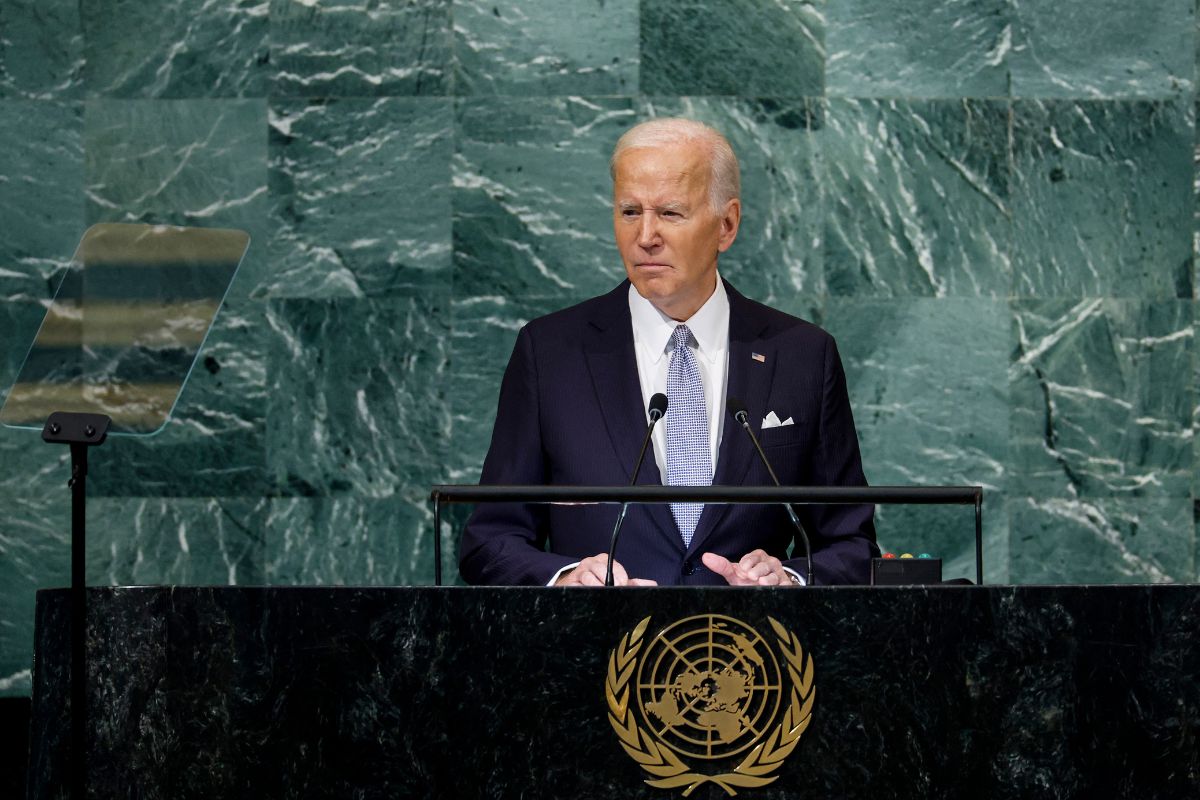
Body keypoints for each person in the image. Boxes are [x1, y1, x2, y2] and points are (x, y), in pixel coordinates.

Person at [459, 118, 877, 587]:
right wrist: (566, 576)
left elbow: (852, 546)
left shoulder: (802, 355)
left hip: (748, 654)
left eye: (671, 213)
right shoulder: (550, 354)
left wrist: (789, 579)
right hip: (599, 650)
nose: (646, 236)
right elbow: (489, 541)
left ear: (727, 225)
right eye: (630, 211)